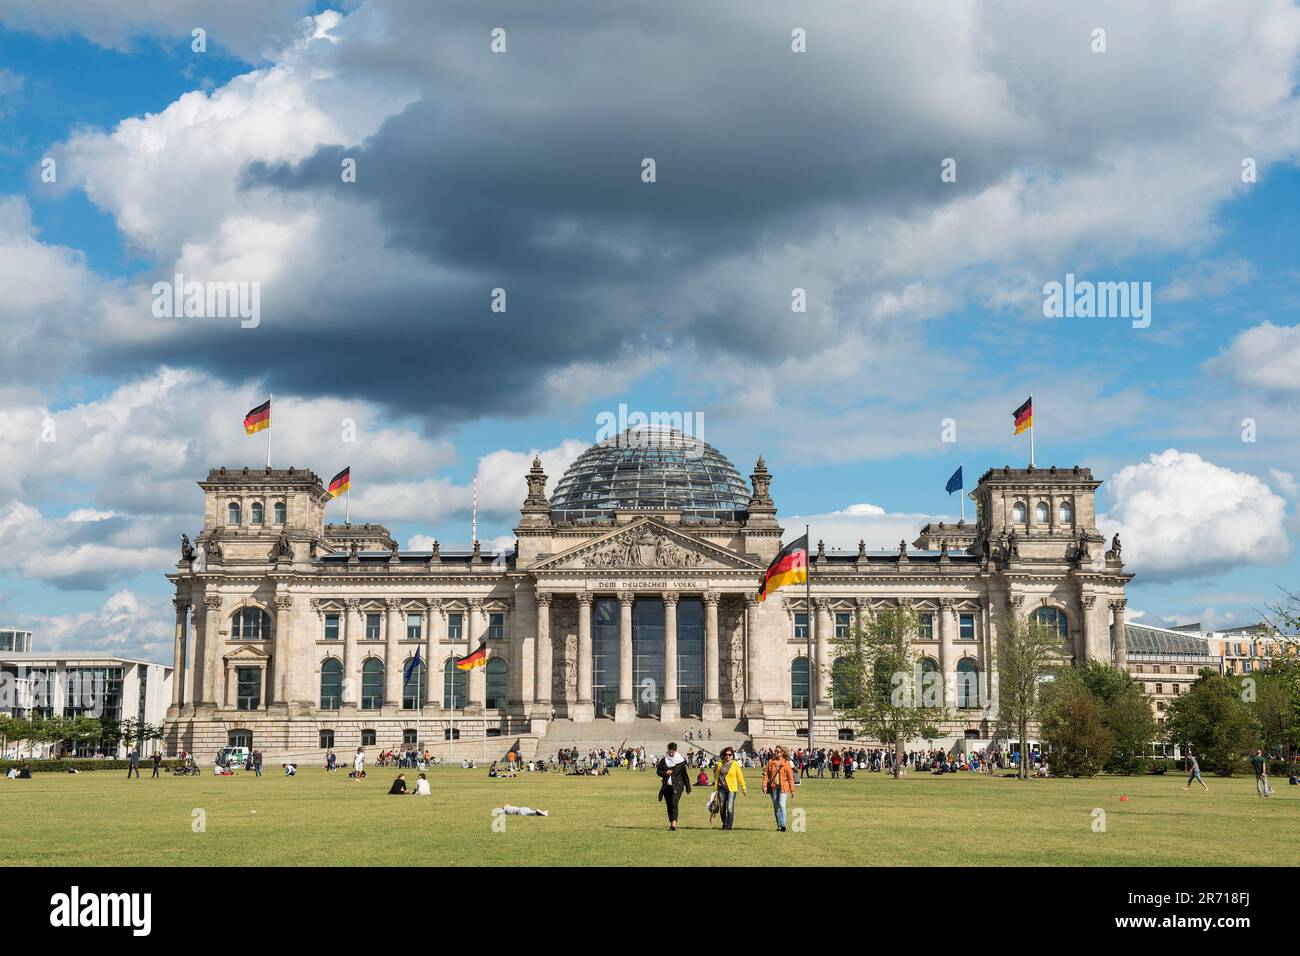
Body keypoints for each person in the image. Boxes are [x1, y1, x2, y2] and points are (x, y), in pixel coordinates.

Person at [656, 742, 692, 831]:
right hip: (666, 787)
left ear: (675, 751)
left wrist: (688, 787)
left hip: (678, 786)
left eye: (673, 751)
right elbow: (658, 771)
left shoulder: (680, 761)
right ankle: (671, 822)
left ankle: (674, 823)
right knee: (669, 805)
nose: (671, 752)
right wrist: (665, 772)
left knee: (674, 803)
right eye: (669, 750)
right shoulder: (664, 760)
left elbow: (684, 775)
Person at [763, 745, 796, 832]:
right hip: (773, 787)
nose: (775, 752)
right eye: (775, 751)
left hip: (783, 787)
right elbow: (766, 775)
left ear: (782, 753)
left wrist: (792, 790)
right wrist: (764, 786)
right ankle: (779, 826)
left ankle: (782, 825)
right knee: (776, 807)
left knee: (782, 805)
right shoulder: (770, 762)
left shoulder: (786, 763)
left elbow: (790, 778)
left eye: (777, 751)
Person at [713, 746, 746, 830]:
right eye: (726, 754)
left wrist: (743, 788)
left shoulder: (735, 764)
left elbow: (740, 776)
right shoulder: (719, 764)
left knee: (730, 808)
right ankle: (724, 823)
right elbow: (716, 777)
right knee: (722, 807)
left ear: (732, 755)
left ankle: (730, 825)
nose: (728, 756)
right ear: (723, 755)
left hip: (732, 789)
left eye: (730, 754)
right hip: (721, 788)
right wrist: (715, 789)